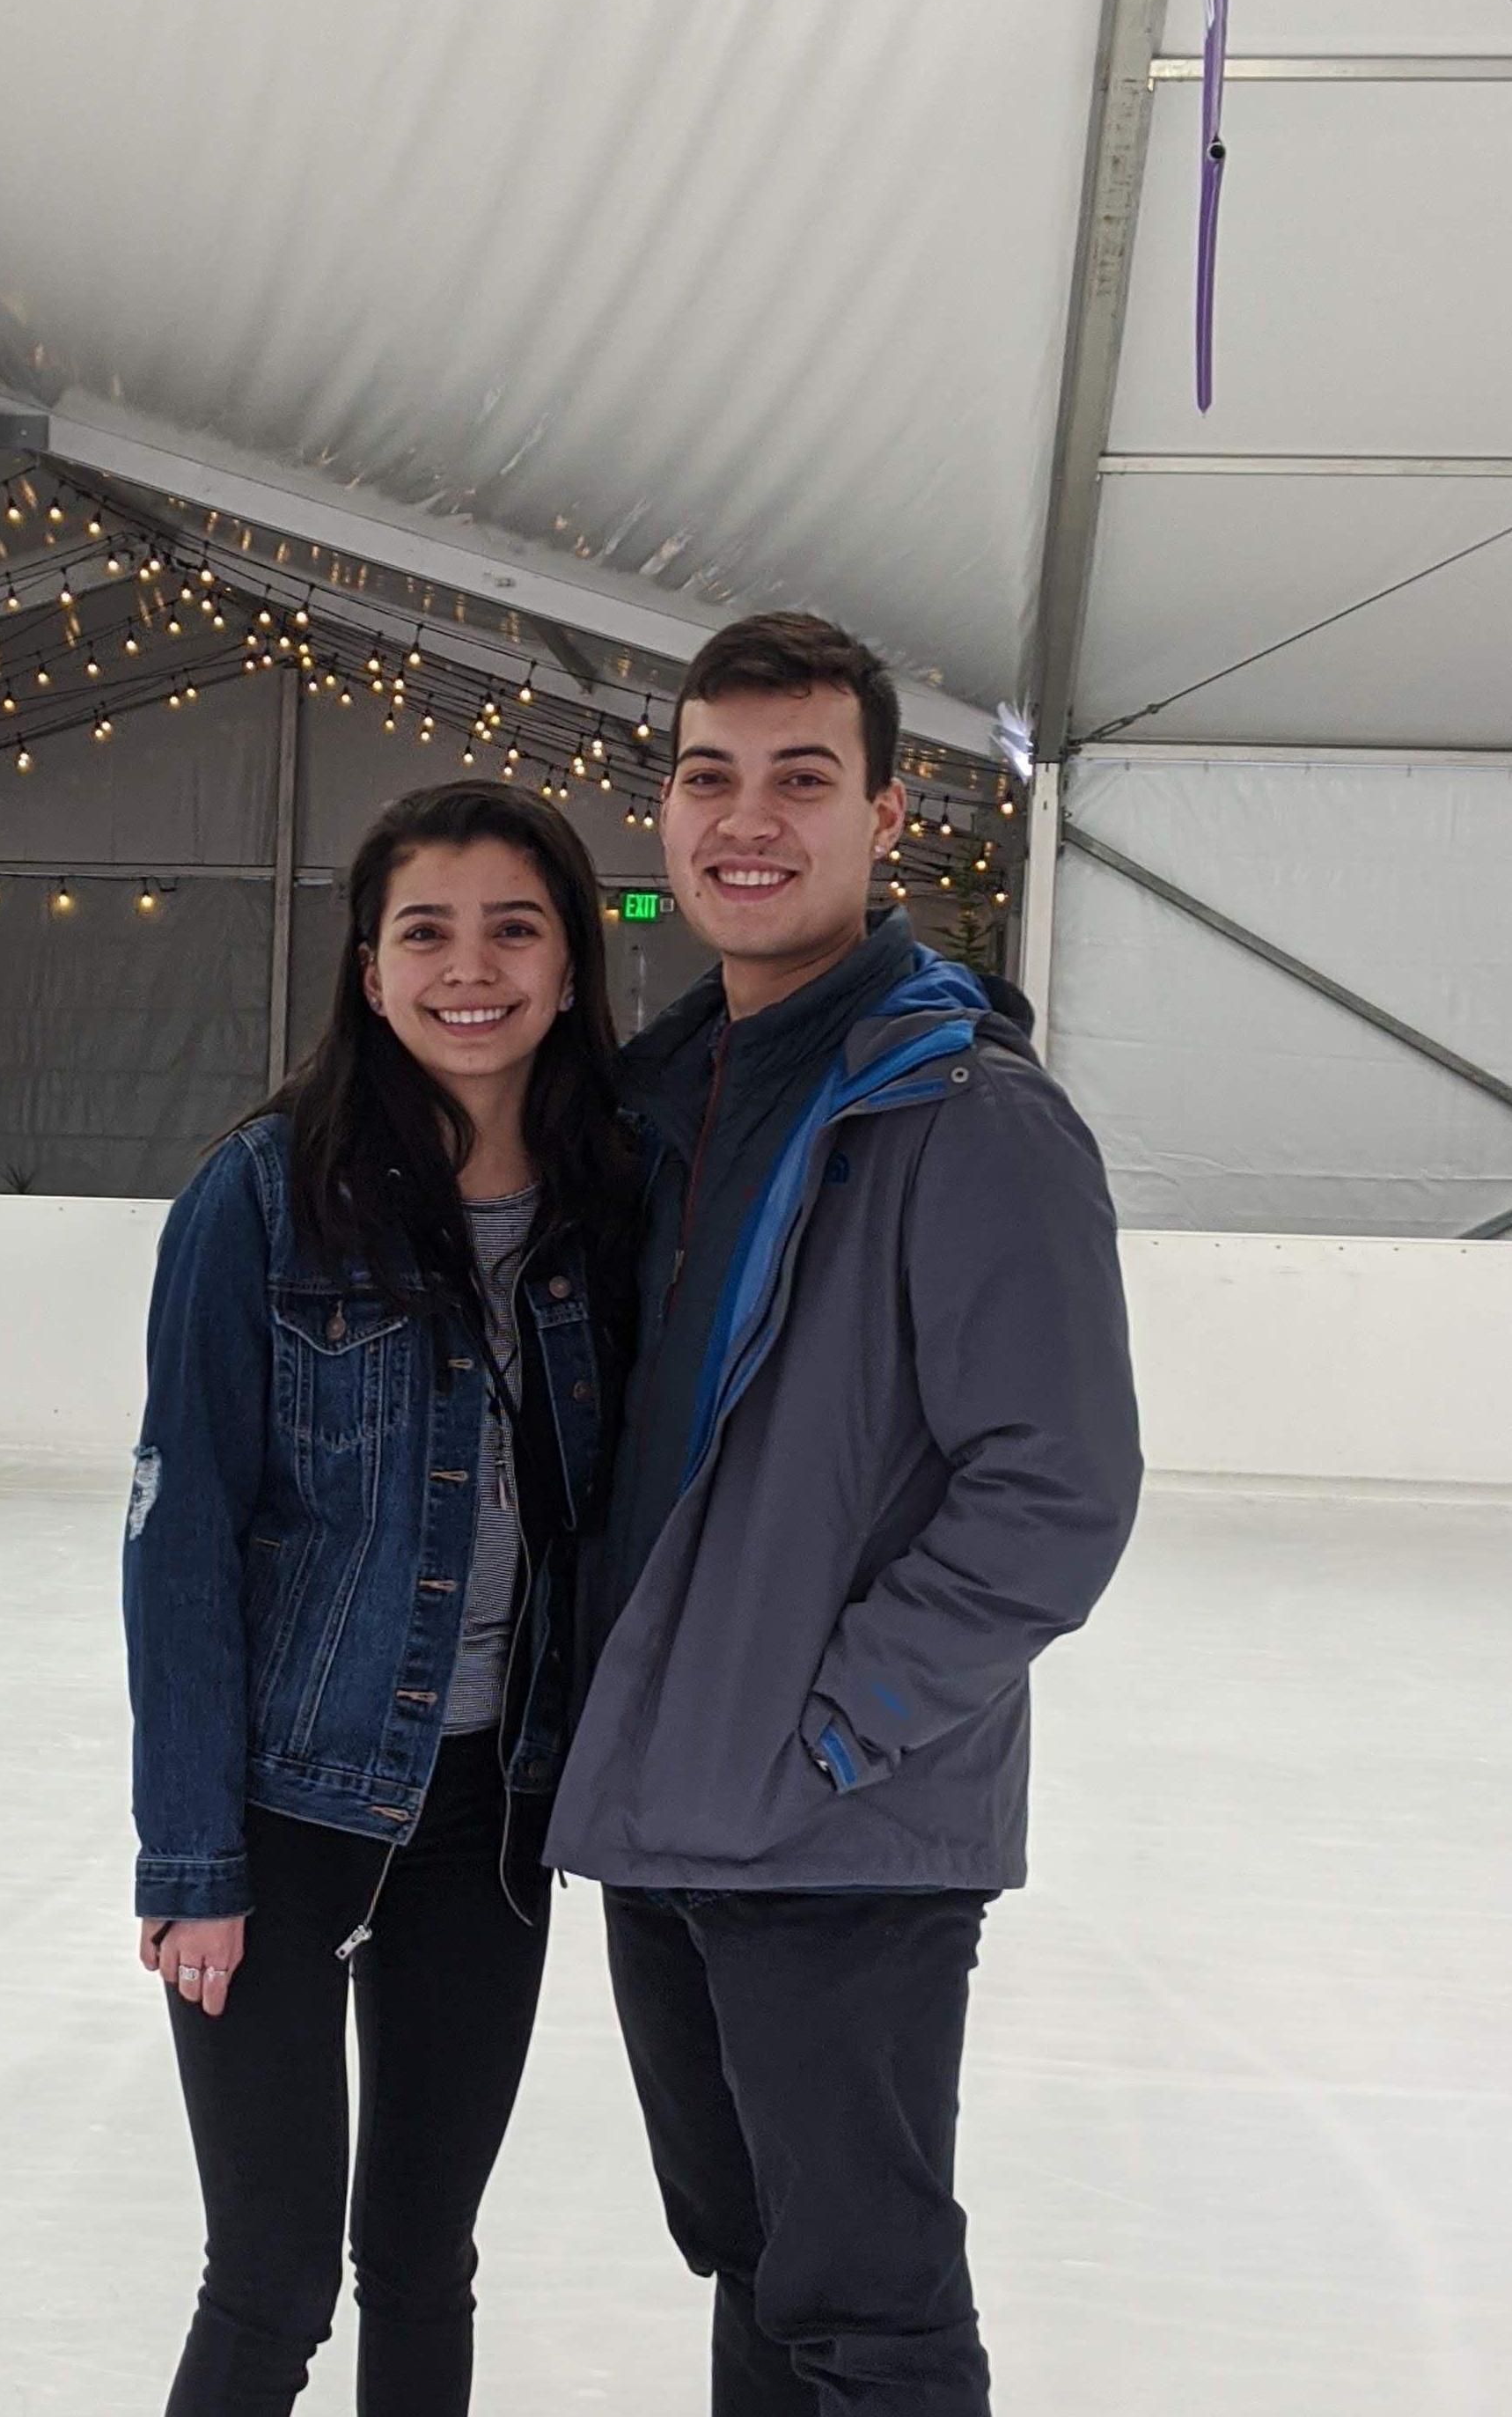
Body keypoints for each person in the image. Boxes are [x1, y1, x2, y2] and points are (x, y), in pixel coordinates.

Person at [548, 612, 1145, 2415]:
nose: (747, 819)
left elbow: (1055, 1488)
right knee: (751, 2257)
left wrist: (834, 1732)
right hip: (667, 1804)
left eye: (800, 778)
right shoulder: (661, 1102)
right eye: (708, 776)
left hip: (837, 1830)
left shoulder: (965, 1116)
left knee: (867, 2314)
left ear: (884, 815)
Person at [124, 782, 637, 2417]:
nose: (468, 968)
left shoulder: (611, 1203)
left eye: (514, 928)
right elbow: (180, 1538)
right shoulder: (263, 1195)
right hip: (286, 1806)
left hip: (492, 1818)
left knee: (423, 2259)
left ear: (569, 963)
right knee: (270, 2281)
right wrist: (192, 1860)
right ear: (368, 968)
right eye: (426, 932)